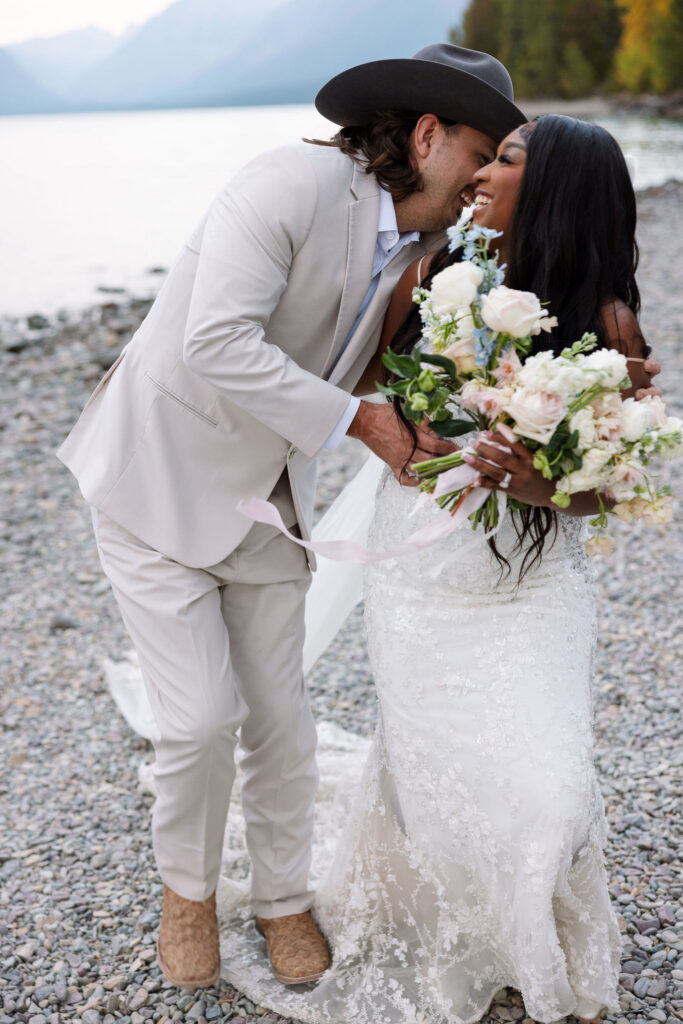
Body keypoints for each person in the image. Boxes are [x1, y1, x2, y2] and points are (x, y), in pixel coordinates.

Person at [57, 44, 536, 989]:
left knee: (281, 719)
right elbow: (216, 340)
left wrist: (476, 421)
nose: (484, 176)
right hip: (153, 478)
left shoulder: (429, 247)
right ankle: (185, 893)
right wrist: (360, 422)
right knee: (197, 721)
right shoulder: (285, 184)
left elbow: (362, 360)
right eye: (480, 151)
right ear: (428, 134)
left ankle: (282, 899)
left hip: (265, 498)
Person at [217, 116, 661, 1023]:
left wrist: (541, 479)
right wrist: (422, 434)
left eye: (505, 161)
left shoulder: (610, 326)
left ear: (554, 195)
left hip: (531, 588)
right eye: (489, 153)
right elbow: (375, 386)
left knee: (550, 788)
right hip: (422, 577)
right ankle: (460, 928)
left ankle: (537, 945)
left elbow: (608, 493)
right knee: (438, 778)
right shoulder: (429, 278)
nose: (482, 174)